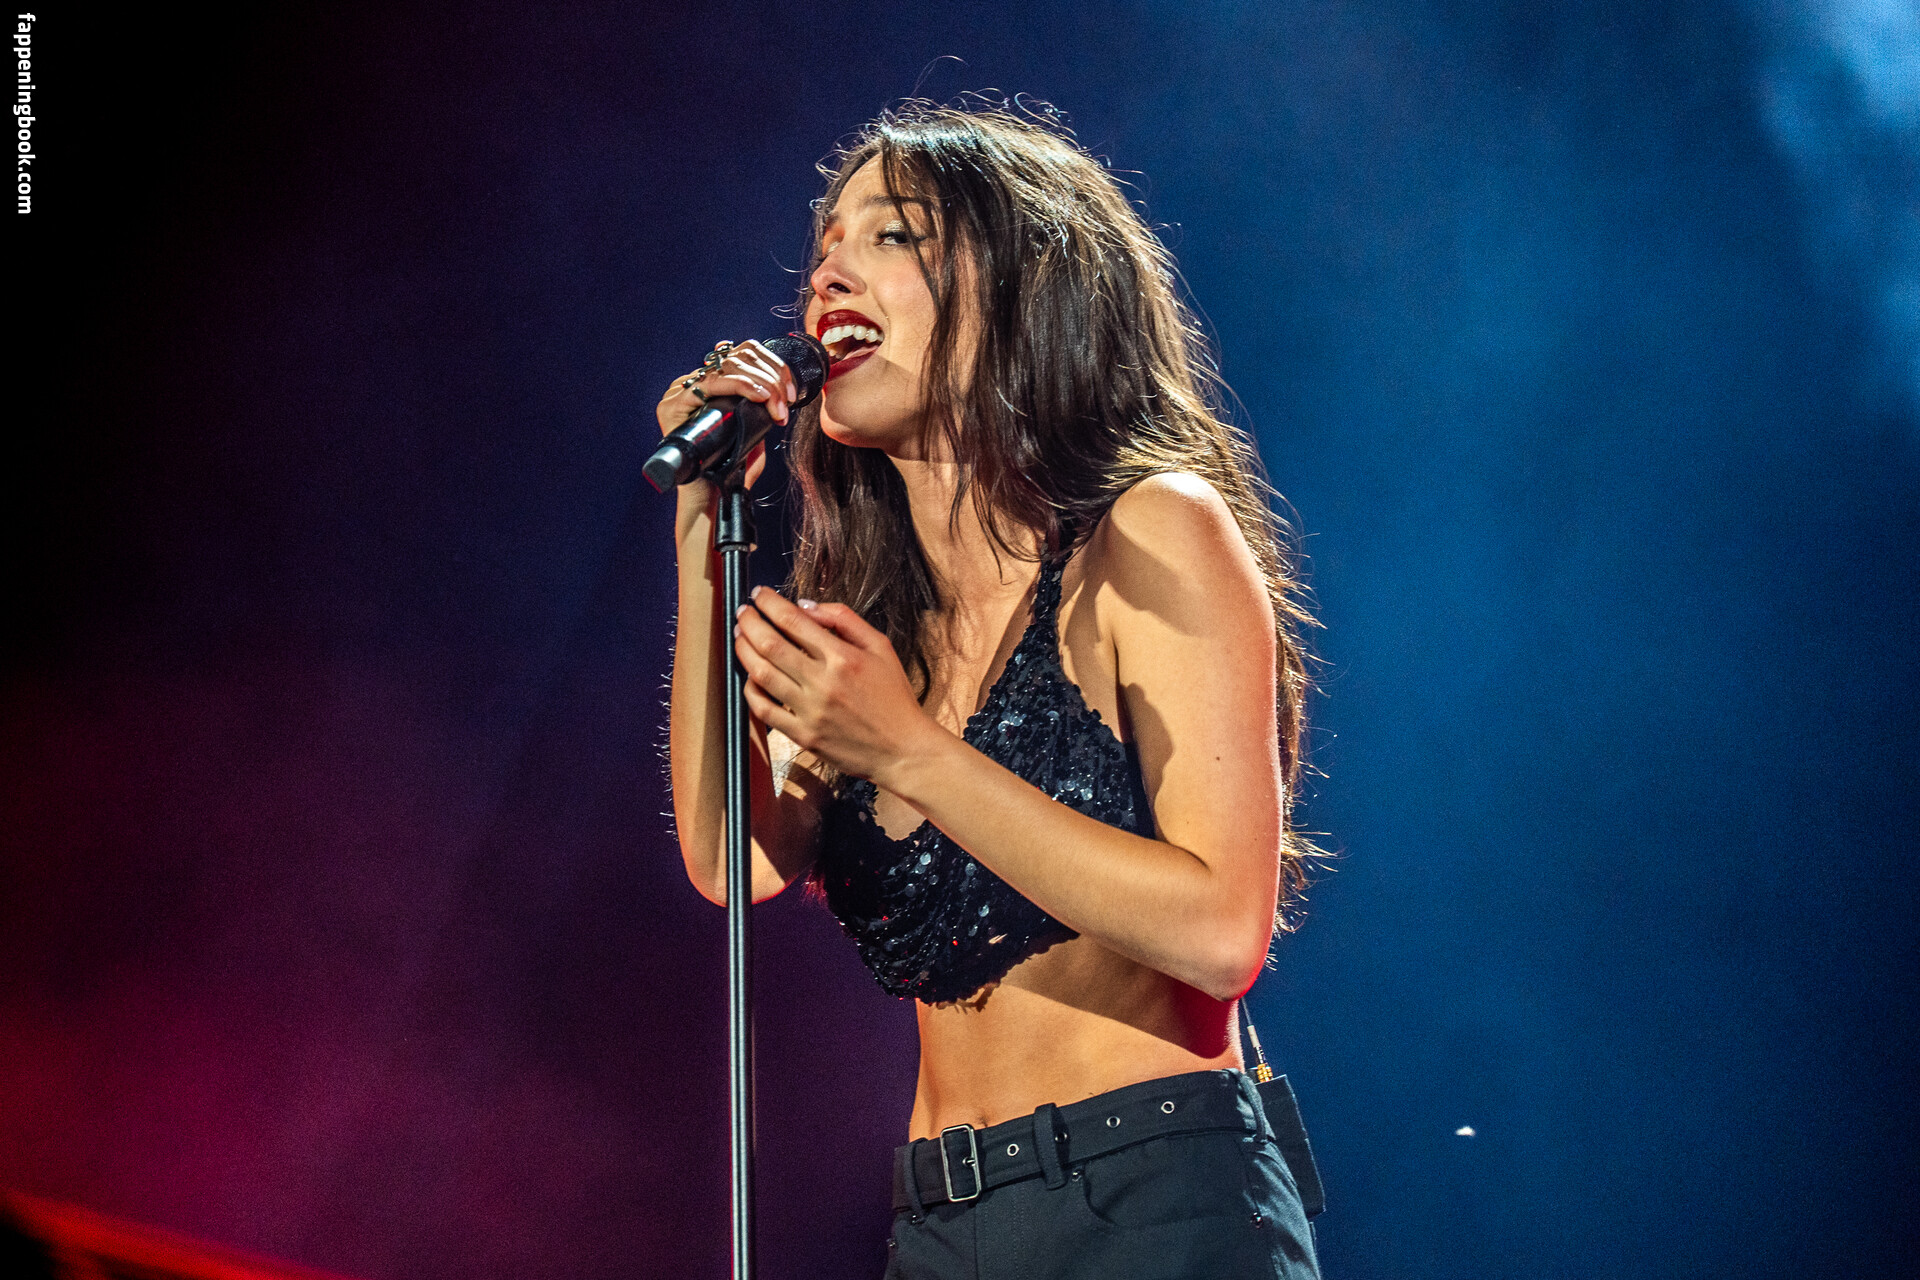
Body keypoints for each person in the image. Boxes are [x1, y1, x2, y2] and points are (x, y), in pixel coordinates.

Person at [659, 101, 1321, 1278]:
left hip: (1151, 1195)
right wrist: (703, 519)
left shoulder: (1153, 531)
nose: (828, 275)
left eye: (892, 235)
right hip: (939, 1225)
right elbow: (733, 856)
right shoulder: (877, 623)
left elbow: (1224, 930)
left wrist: (910, 753)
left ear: (1024, 285)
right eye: (824, 247)